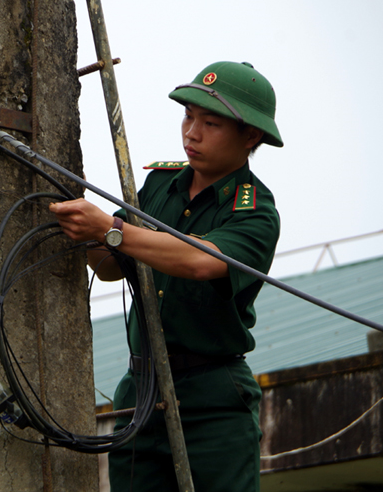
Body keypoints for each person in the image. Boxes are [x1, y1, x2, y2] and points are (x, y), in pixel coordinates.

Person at [49, 61, 282, 491]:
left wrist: (110, 229)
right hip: (140, 390)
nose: (191, 132)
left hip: (212, 398)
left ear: (250, 136)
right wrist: (79, 228)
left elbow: (200, 262)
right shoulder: (160, 184)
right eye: (188, 117)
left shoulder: (256, 210)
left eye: (210, 122)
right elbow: (110, 265)